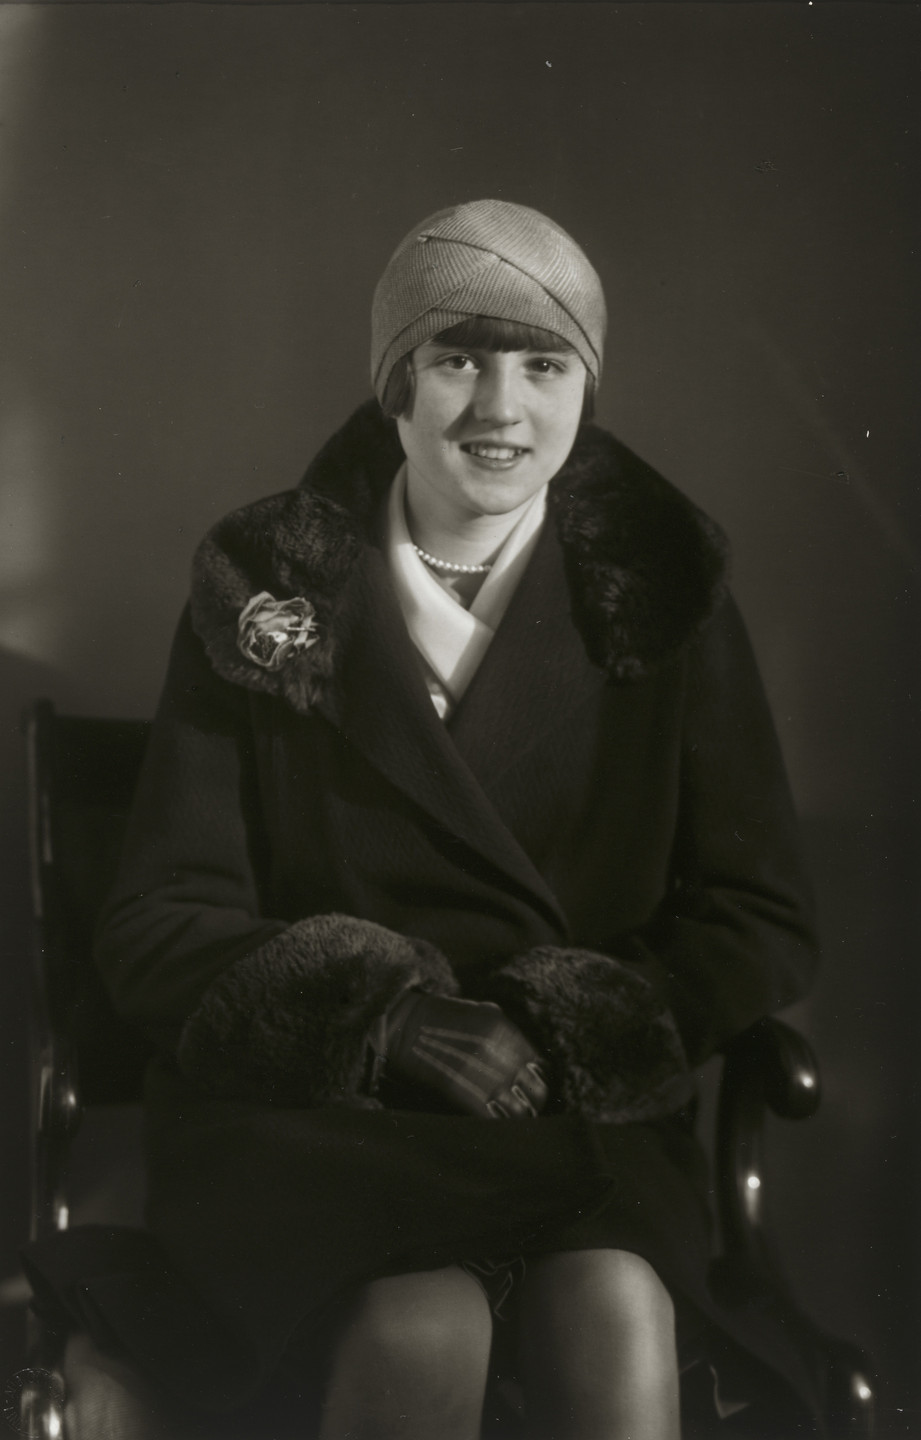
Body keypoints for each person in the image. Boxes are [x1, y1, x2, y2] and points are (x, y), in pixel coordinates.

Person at [30, 200, 820, 1439]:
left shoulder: (666, 595)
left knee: (612, 1306)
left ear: (585, 391)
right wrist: (383, 1018)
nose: (500, 410)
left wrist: (572, 1029)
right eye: (458, 360)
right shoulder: (263, 585)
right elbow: (155, 921)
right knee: (421, 1324)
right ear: (396, 388)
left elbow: (760, 915)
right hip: (312, 1129)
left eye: (543, 365)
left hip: (567, 1120)